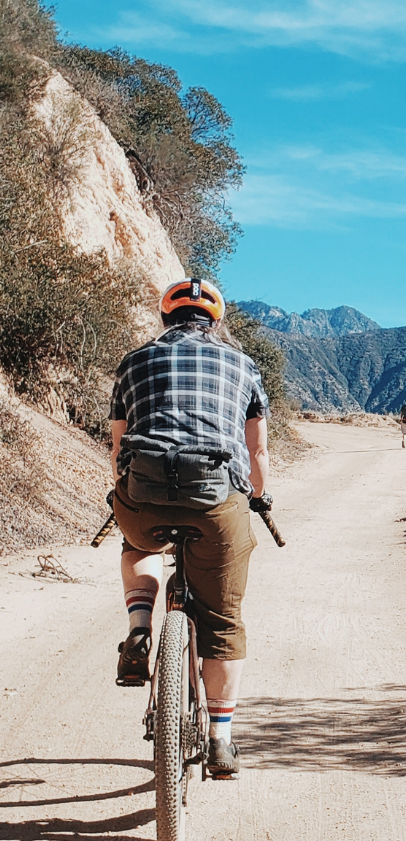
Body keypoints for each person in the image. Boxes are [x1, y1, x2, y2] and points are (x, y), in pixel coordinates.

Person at [110, 278, 272, 780]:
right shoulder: (243, 365)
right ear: (216, 322)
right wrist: (260, 499)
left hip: (145, 495)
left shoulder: (133, 363)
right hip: (215, 502)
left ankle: (140, 628)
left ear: (165, 318)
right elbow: (257, 452)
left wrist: (125, 492)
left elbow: (118, 451)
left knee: (138, 543)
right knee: (222, 620)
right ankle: (221, 738)